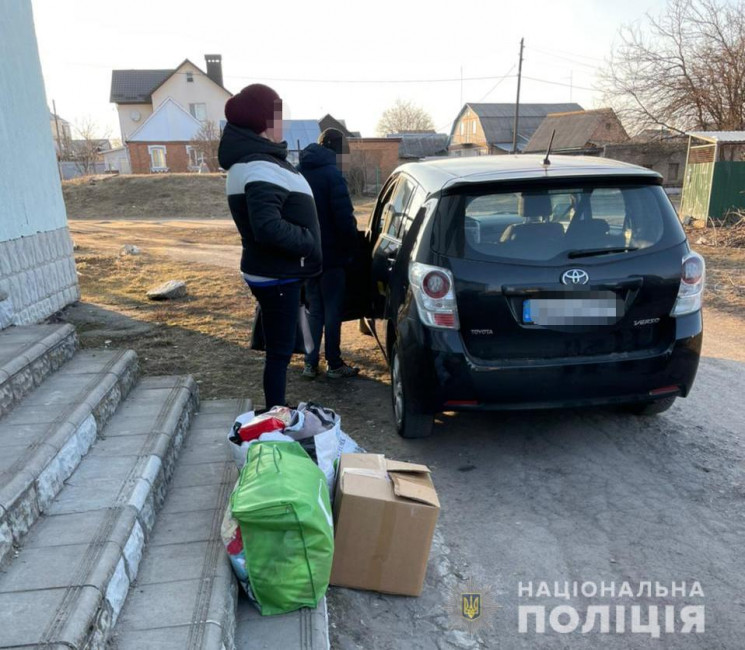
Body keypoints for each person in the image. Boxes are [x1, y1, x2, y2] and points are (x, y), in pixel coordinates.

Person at [218, 84, 322, 409]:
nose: (283, 123)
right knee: (278, 352)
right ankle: (275, 415)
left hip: (278, 272)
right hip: (278, 275)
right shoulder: (259, 165)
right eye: (278, 115)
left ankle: (277, 409)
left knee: (280, 344)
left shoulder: (257, 161)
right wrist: (308, 243)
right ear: (264, 121)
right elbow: (267, 227)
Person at [297, 128, 360, 379]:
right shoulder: (333, 175)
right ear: (337, 150)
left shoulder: (299, 173)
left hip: (308, 253)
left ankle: (310, 364)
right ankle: (334, 363)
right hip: (332, 255)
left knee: (315, 310)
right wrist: (352, 248)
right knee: (333, 310)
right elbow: (344, 218)